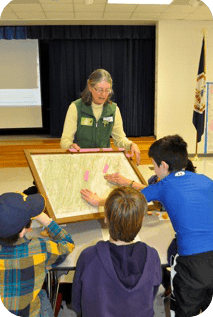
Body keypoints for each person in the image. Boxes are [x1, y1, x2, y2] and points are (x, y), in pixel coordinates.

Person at [80, 134, 213, 317]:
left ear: (163, 165)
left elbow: (129, 201)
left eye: (154, 165)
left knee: (184, 309)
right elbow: (158, 191)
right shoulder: (205, 180)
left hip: (191, 263)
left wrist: (99, 201)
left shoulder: (164, 186)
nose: (155, 170)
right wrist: (128, 182)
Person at [72, 187, 161, 317]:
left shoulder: (89, 256)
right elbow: (152, 295)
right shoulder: (152, 256)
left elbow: (76, 302)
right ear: (141, 220)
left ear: (106, 218)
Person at [0, 192, 75, 317]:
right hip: (31, 312)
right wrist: (47, 221)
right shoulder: (39, 248)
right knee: (42, 294)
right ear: (23, 232)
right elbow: (68, 244)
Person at [60, 68, 141, 165]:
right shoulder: (75, 108)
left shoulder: (113, 110)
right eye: (99, 90)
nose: (103, 94)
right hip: (81, 159)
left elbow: (119, 139)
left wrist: (131, 144)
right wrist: (70, 146)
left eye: (107, 90)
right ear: (90, 87)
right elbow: (65, 140)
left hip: (104, 160)